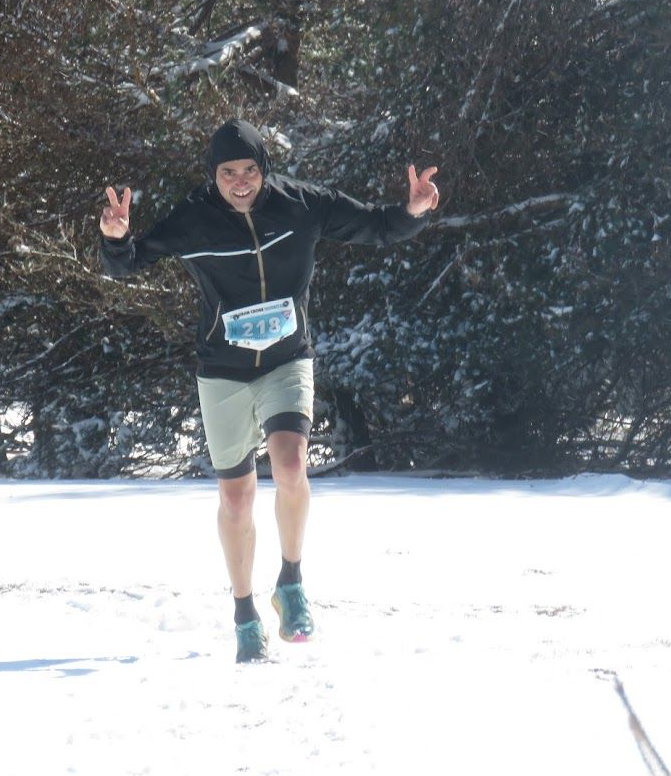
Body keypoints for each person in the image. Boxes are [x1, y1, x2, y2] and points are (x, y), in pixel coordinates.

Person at [100, 119, 439, 662]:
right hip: (223, 372)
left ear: (264, 170)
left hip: (286, 359)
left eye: (251, 170)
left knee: (290, 467)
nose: (241, 182)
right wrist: (115, 239)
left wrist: (413, 212)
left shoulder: (300, 205)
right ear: (214, 177)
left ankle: (291, 582)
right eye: (229, 172)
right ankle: (244, 614)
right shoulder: (194, 218)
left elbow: (373, 225)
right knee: (236, 498)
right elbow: (132, 260)